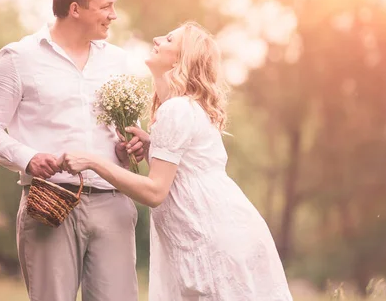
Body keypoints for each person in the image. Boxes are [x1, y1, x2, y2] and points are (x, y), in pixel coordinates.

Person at [61, 21, 294, 300]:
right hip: (221, 232)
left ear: (182, 59)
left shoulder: (177, 110)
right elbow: (188, 171)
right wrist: (152, 149)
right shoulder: (184, 107)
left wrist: (93, 162)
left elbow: (155, 192)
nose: (157, 38)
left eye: (169, 40)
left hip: (212, 241)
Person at [0, 0, 145, 301]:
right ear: (75, 9)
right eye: (106, 6)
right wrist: (28, 158)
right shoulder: (20, 57)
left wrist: (129, 146)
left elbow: (120, 132)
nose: (114, 15)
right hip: (52, 205)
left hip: (114, 205)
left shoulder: (118, 61)